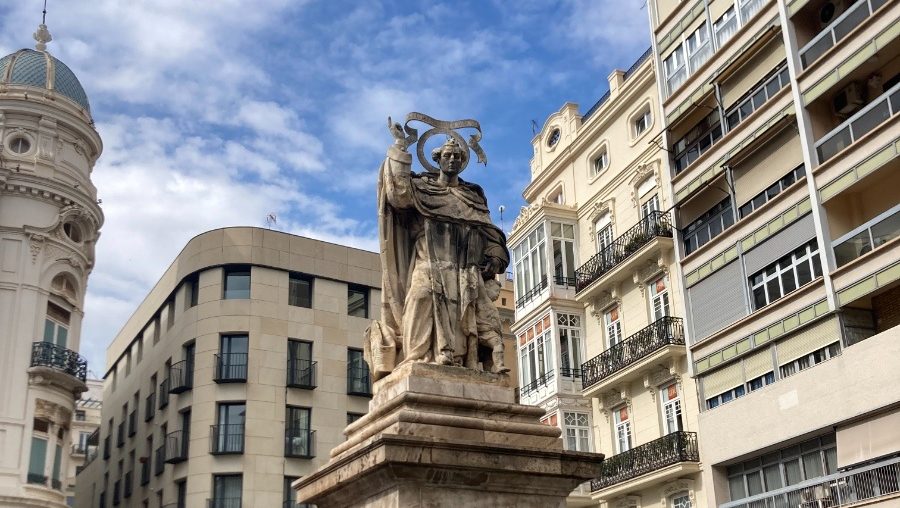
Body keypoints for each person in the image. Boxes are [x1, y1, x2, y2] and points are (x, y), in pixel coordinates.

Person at [366, 121, 509, 379]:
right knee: (420, 298)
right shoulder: (423, 189)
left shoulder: (473, 197)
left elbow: (492, 235)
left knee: (465, 315)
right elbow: (397, 193)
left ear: (463, 161)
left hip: (464, 270)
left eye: (457, 156)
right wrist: (401, 146)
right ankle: (416, 356)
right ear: (437, 159)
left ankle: (456, 358)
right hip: (428, 263)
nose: (452, 159)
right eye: (447, 155)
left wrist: (496, 257)